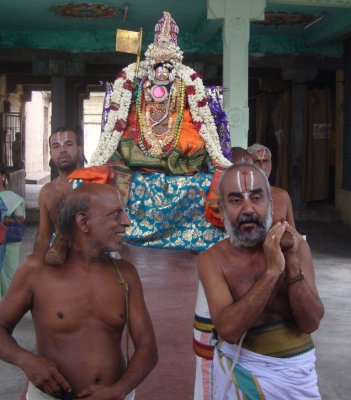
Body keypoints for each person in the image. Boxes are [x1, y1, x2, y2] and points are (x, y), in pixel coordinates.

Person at [0, 183, 157, 399]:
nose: (127, 222)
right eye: (115, 214)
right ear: (84, 222)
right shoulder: (36, 270)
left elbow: (148, 348)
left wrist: (117, 391)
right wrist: (25, 360)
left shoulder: (125, 274)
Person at [90, 11, 230, 251]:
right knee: (121, 149)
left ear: (174, 65)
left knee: (193, 146)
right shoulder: (135, 78)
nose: (162, 72)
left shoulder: (187, 82)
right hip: (140, 135)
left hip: (177, 139)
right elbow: (122, 115)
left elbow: (201, 119)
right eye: (158, 67)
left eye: (167, 67)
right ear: (151, 64)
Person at [198, 162, 324, 399]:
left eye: (256, 198)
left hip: (298, 376)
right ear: (221, 208)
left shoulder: (296, 246)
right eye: (236, 200)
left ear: (270, 203)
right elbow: (229, 331)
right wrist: (272, 272)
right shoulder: (213, 259)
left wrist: (292, 262)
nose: (248, 209)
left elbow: (311, 322)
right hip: (242, 374)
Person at [33, 127, 82, 255]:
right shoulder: (47, 192)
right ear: (51, 153)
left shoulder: (94, 184)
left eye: (69, 144)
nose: (62, 150)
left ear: (80, 148)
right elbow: (43, 237)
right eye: (56, 146)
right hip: (59, 263)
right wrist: (36, 266)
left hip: (92, 265)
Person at [247, 143, 295, 227]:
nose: (262, 166)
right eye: (256, 161)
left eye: (265, 161)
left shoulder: (283, 195)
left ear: (271, 166)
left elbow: (293, 232)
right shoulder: (241, 197)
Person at [0, 165, 25, 297]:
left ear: (3, 176)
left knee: (9, 274)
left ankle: (10, 306)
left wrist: (2, 219)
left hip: (8, 243)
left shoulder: (12, 197)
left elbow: (20, 219)